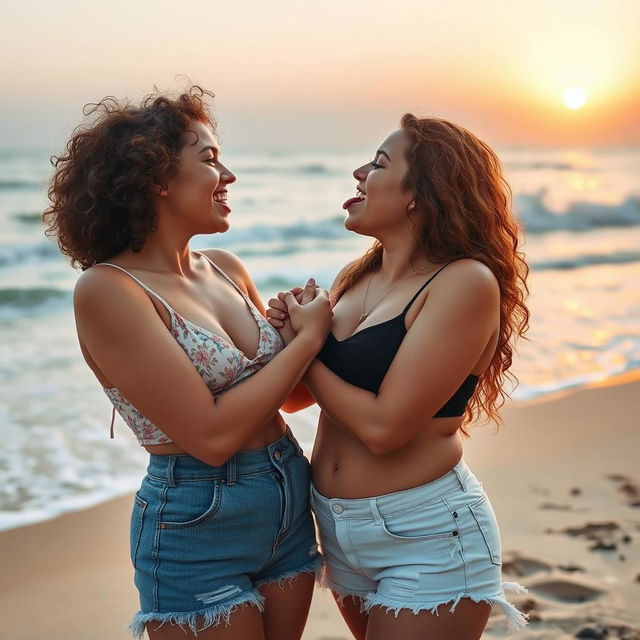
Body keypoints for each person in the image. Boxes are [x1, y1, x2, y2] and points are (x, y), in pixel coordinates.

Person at [43, 86, 333, 640]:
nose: (228, 176)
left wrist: (303, 326)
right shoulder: (109, 290)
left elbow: (289, 398)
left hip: (288, 495)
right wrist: (305, 343)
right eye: (208, 160)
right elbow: (211, 437)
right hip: (198, 518)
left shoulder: (224, 266)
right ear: (155, 177)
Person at [268, 114, 530, 639]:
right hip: (338, 532)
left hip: (427, 534)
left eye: (380, 163)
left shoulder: (463, 282)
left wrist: (311, 343)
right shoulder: (356, 276)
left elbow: (385, 429)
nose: (359, 172)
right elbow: (298, 399)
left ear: (420, 192)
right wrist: (284, 335)